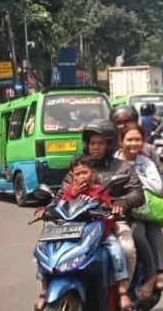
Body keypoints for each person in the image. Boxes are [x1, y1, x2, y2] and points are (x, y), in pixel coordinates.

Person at [36, 120, 152, 293]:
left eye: (100, 143)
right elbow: (61, 195)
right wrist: (48, 208)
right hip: (77, 221)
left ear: (109, 145)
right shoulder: (78, 167)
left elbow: (138, 193)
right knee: (46, 247)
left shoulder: (123, 168)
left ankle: (124, 291)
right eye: (92, 143)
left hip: (110, 220)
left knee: (127, 248)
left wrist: (122, 202)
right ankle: (46, 286)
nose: (95, 147)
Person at [31, 155, 135, 311]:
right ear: (72, 175)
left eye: (84, 173)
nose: (81, 177)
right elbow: (60, 209)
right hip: (71, 235)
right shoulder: (68, 191)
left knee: (117, 250)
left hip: (98, 236)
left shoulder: (100, 191)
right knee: (42, 252)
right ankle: (44, 291)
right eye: (77, 174)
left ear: (93, 173)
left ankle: (122, 290)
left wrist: (111, 213)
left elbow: (107, 212)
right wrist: (71, 195)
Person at [116, 123, 163, 297]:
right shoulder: (112, 160)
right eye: (129, 139)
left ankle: (152, 275)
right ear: (120, 141)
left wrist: (133, 176)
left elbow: (157, 186)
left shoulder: (145, 162)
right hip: (113, 209)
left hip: (139, 209)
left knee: (138, 233)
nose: (133, 143)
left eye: (137, 139)